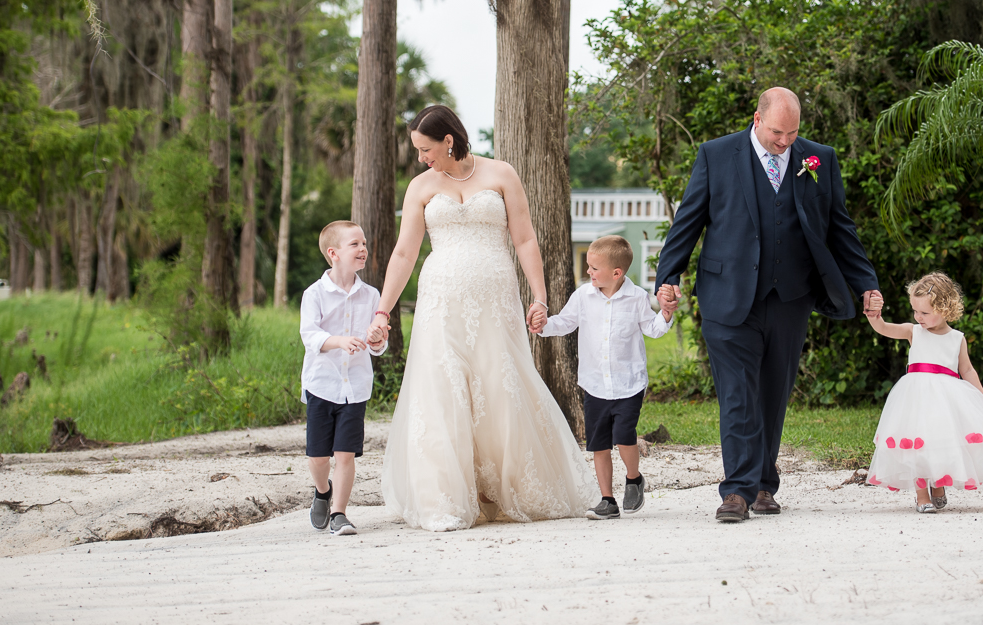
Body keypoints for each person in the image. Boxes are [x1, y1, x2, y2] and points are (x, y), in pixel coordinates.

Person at [655, 87, 884, 522]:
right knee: (738, 394)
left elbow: (840, 229)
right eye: (778, 132)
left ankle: (764, 484)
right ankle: (737, 492)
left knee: (773, 394)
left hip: (791, 298)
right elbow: (688, 221)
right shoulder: (716, 154)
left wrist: (865, 284)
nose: (785, 142)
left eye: (793, 133)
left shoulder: (819, 159)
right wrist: (668, 277)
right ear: (757, 119)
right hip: (727, 296)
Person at [367, 105, 596, 532]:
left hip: (496, 299)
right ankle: (446, 497)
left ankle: (507, 489)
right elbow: (404, 253)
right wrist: (383, 310)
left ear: (448, 140)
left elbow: (525, 238)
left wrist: (539, 297)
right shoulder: (419, 187)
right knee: (444, 387)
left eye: (425, 148)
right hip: (441, 301)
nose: (421, 158)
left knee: (499, 382)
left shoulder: (501, 174)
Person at [533, 235, 679, 520]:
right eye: (588, 266)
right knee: (598, 444)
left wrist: (665, 314)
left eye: (594, 268)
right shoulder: (583, 296)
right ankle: (607, 500)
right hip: (595, 384)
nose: (588, 272)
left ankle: (634, 478)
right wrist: (543, 326)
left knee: (625, 438)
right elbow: (564, 323)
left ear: (616, 273)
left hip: (629, 384)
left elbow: (653, 329)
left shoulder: (636, 298)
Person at [863, 272, 983, 511]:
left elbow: (968, 371)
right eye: (915, 311)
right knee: (917, 445)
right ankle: (922, 496)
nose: (917, 317)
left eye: (924, 312)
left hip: (946, 401)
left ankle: (939, 484)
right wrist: (873, 316)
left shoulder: (957, 339)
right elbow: (884, 328)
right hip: (916, 397)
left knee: (941, 443)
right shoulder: (914, 332)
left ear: (944, 309)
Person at [298, 220, 388, 536]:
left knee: (345, 454)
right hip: (322, 384)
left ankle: (339, 513)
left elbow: (378, 345)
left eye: (364, 243)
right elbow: (309, 335)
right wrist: (340, 340)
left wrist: (377, 339)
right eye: (355, 244)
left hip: (356, 387)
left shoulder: (372, 295)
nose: (363, 249)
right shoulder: (314, 294)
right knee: (319, 457)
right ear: (334, 253)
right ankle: (323, 490)